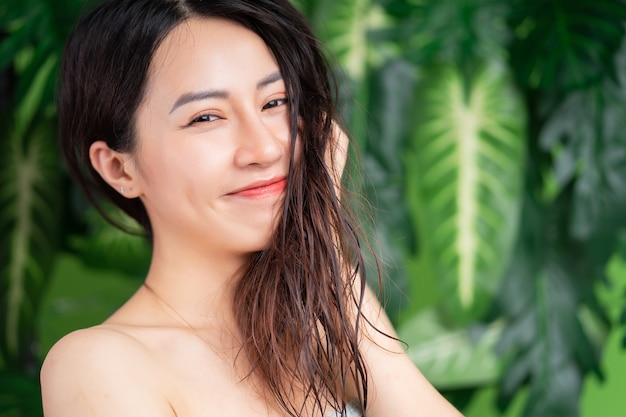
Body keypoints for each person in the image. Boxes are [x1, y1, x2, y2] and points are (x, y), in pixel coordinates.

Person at [40, 0, 463, 416]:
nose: (264, 148)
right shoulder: (100, 364)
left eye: (275, 102)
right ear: (119, 169)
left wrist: (330, 262)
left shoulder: (318, 329)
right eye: (206, 118)